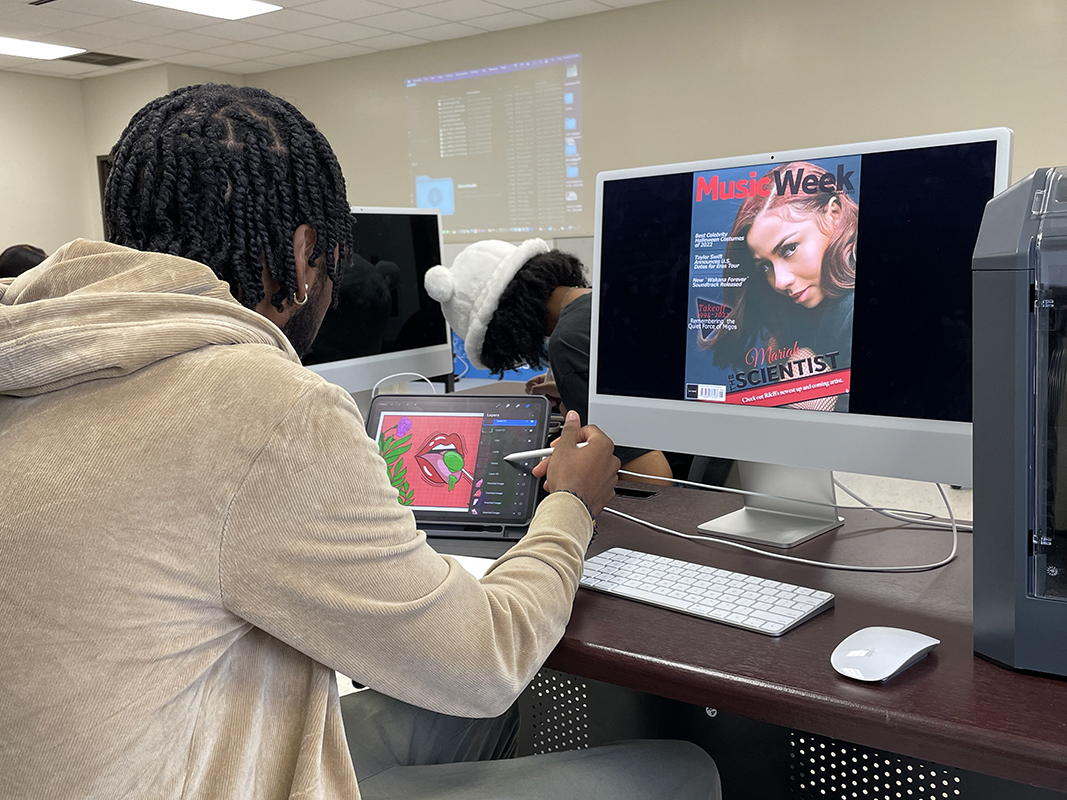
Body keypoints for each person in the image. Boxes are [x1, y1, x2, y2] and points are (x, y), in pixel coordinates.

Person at [0, 84, 719, 800]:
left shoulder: (31, 356)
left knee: (465, 712)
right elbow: (486, 660)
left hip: (143, 755)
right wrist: (570, 503)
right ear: (306, 253)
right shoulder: (259, 404)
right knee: (683, 770)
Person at [424, 240, 674, 483]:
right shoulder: (609, 296)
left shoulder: (568, 341)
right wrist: (574, 389)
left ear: (506, 326)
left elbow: (653, 476)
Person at [701, 161, 857, 411]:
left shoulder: (853, 311)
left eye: (789, 249)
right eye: (764, 266)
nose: (780, 281)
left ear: (834, 215)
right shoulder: (799, 313)